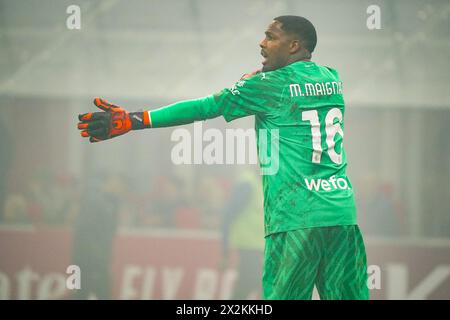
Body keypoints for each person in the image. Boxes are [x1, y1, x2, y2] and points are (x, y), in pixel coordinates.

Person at [77, 15, 369, 300]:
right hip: (341, 215)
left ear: (293, 46)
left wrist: (134, 120)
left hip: (296, 218)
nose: (262, 43)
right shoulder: (332, 78)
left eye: (271, 36)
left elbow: (206, 106)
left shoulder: (268, 85)